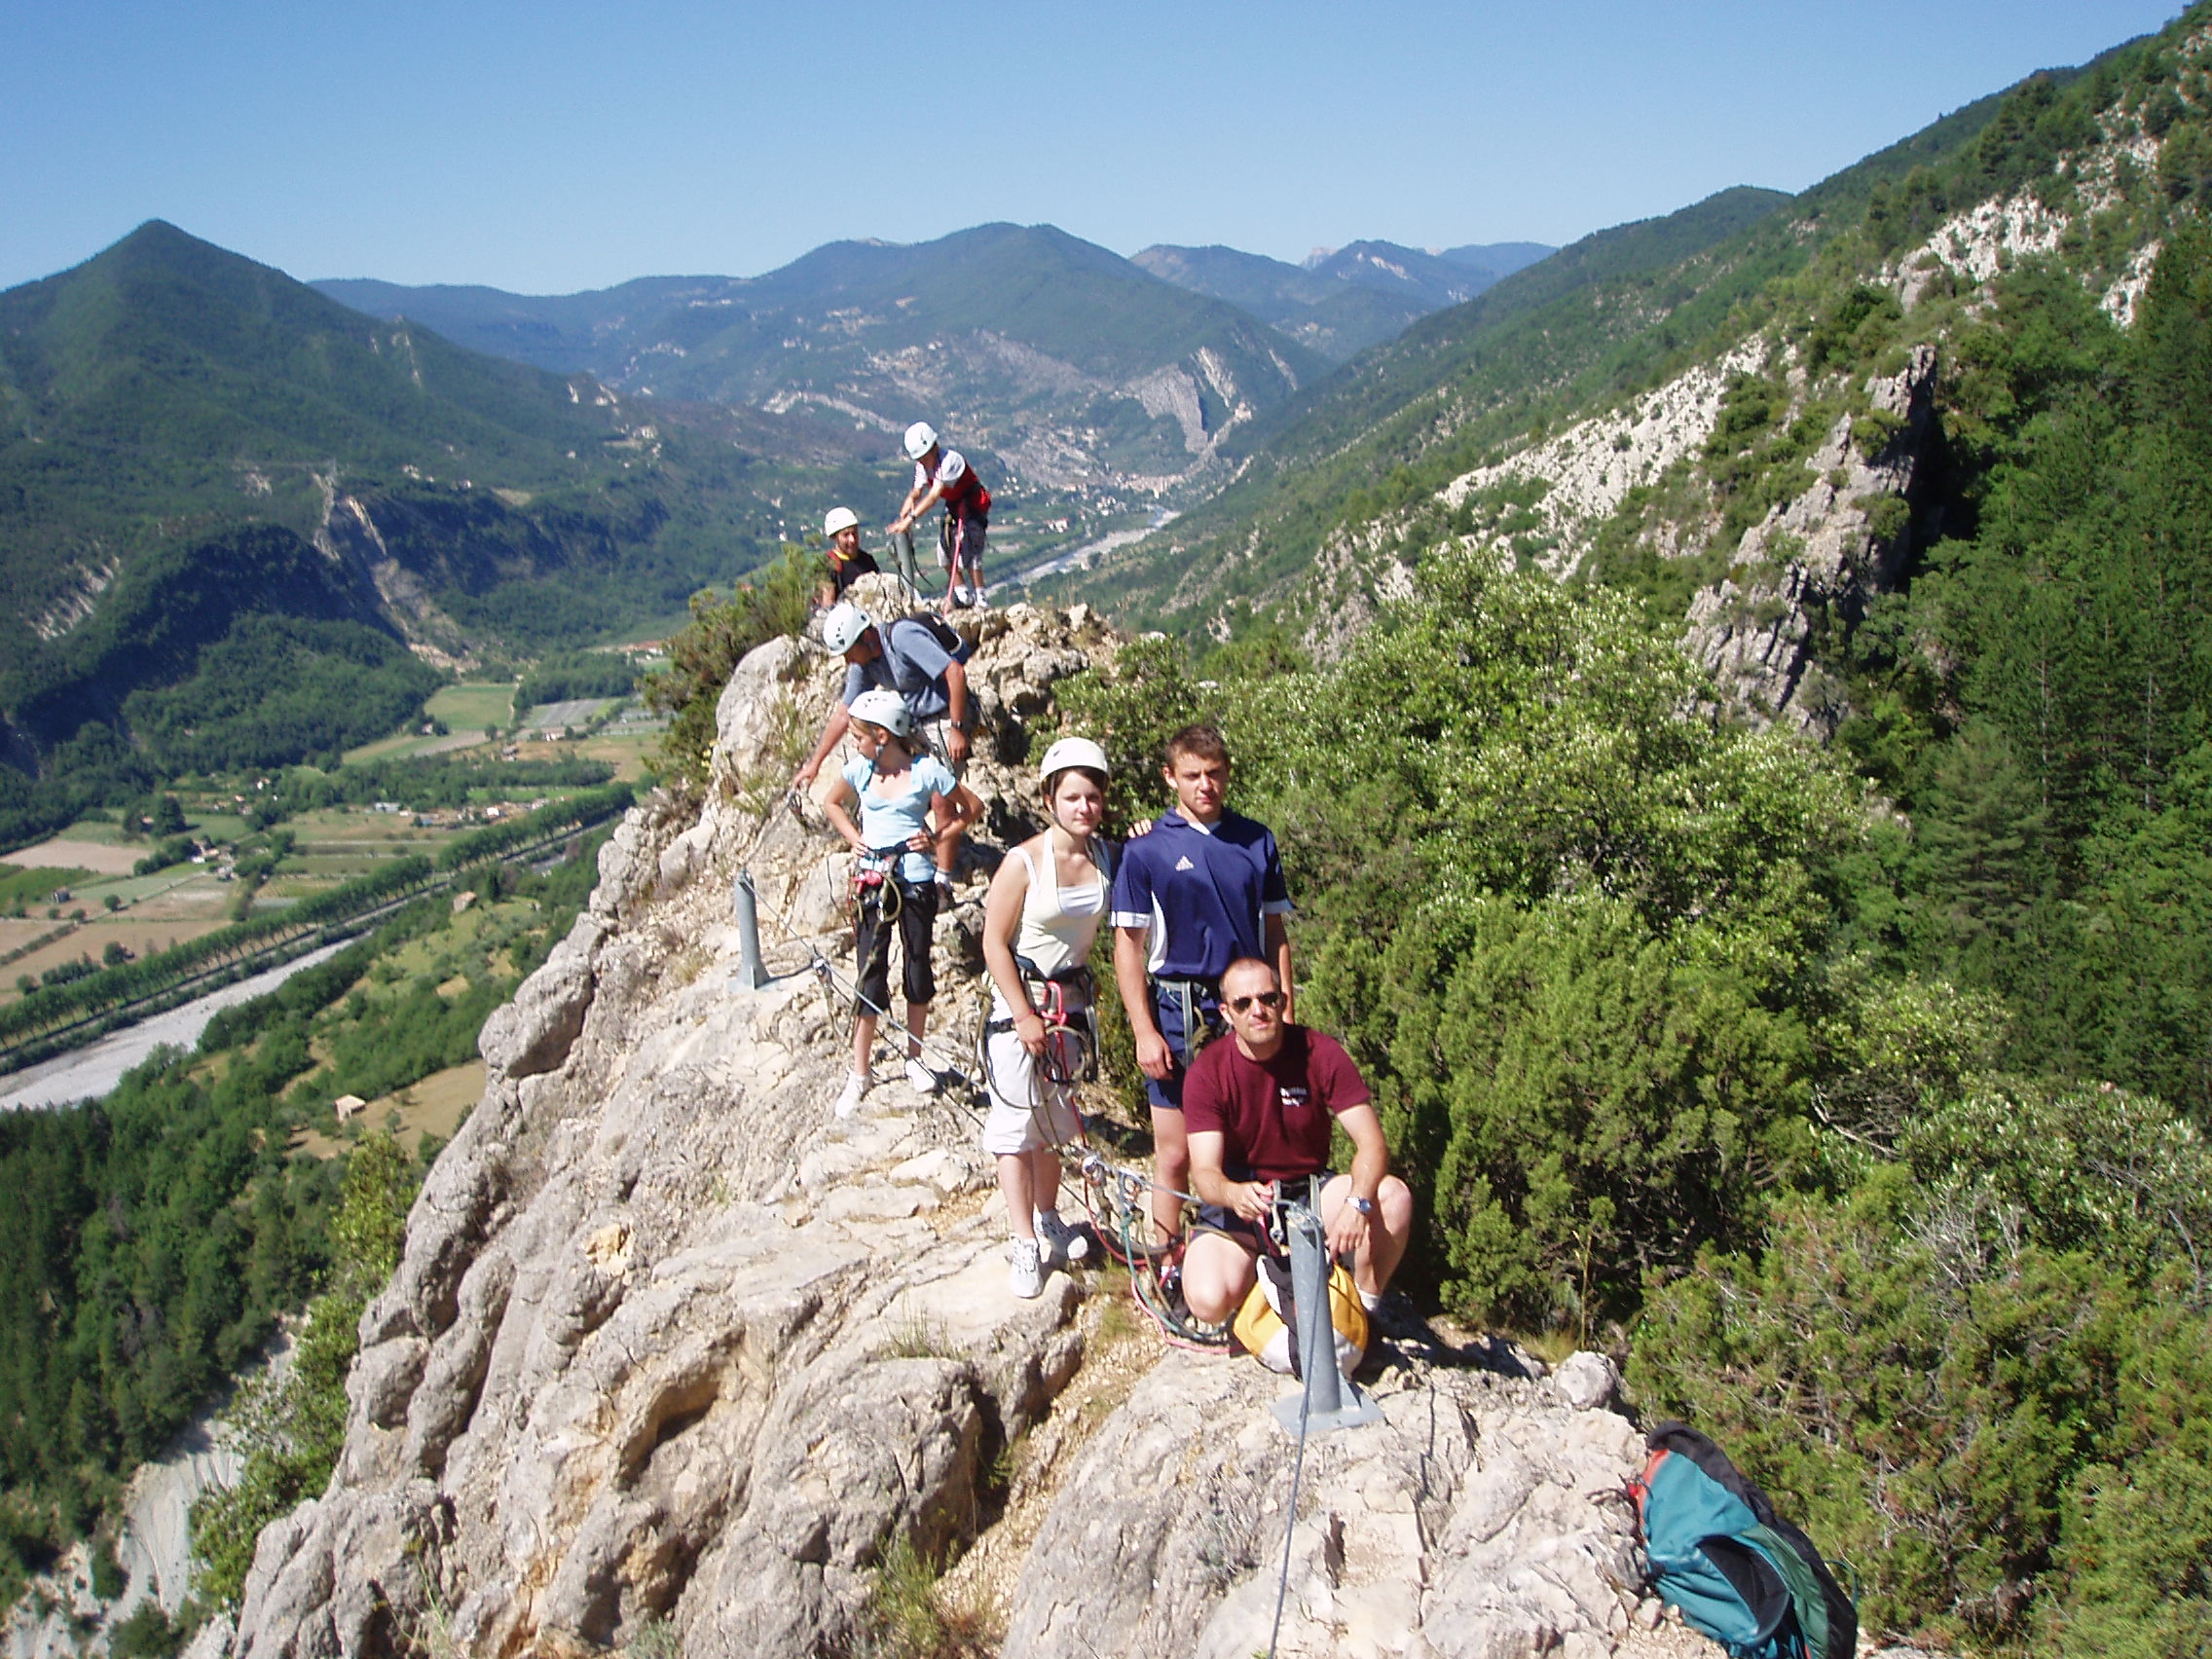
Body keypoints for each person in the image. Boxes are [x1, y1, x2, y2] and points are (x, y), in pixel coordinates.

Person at [1111, 723, 1293, 1252]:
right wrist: (1144, 1030)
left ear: (1228, 774)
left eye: (1214, 774)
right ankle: (1164, 1257)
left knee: (1245, 1138)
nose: (1204, 785)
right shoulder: (1146, 851)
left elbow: (1275, 931)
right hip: (1176, 1007)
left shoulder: (1256, 840)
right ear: (1170, 778)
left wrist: (1286, 1005)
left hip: (1250, 1006)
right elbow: (1128, 946)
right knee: (1173, 1148)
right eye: (1192, 775)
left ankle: (1242, 1255)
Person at [1180, 957, 1414, 1326]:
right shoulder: (1207, 1072)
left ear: (1283, 1001)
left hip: (1310, 1192)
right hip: (1243, 1203)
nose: (1258, 1010)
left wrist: (1357, 1204)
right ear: (1226, 1013)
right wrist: (1232, 1194)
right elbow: (1205, 1174)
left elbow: (1372, 1144)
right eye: (1243, 1004)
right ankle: (1269, 1287)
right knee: (1209, 1301)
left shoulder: (1320, 1053)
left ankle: (1364, 1315)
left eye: (1268, 999)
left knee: (1393, 1198)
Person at [978, 737, 1113, 1299]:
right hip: (1024, 1007)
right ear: (1049, 799)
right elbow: (992, 941)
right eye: (1073, 797)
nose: (1085, 807)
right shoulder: (1025, 861)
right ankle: (1023, 1240)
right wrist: (1021, 1013)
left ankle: (1049, 1217)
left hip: (1070, 1008)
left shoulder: (1106, 856)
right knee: (1014, 1127)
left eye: (1093, 797)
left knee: (1055, 1121)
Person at [816, 688, 981, 1117]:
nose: (855, 742)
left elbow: (971, 807)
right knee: (870, 970)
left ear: (883, 736)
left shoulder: (926, 771)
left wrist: (937, 837)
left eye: (860, 735)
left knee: (916, 964)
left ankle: (915, 1056)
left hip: (913, 878)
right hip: (875, 877)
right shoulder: (860, 770)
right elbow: (831, 803)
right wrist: (856, 840)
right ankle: (860, 1072)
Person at [793, 603, 973, 786]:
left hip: (947, 711)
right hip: (917, 721)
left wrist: (956, 728)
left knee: (938, 788)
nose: (848, 661)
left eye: (848, 652)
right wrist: (814, 764)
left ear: (865, 637)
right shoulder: (864, 664)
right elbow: (843, 714)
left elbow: (955, 673)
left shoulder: (902, 638)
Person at [889, 421, 992, 614]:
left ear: (934, 448)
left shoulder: (949, 461)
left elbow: (934, 495)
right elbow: (917, 492)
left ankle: (982, 599)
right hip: (954, 506)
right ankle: (963, 595)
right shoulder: (923, 466)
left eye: (923, 456)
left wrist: (909, 519)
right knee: (944, 553)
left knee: (971, 553)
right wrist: (902, 514)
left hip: (973, 504)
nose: (921, 461)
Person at [815, 506, 880, 608]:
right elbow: (828, 605)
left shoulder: (867, 560)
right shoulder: (828, 565)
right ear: (834, 537)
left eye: (854, 533)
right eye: (846, 535)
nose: (852, 539)